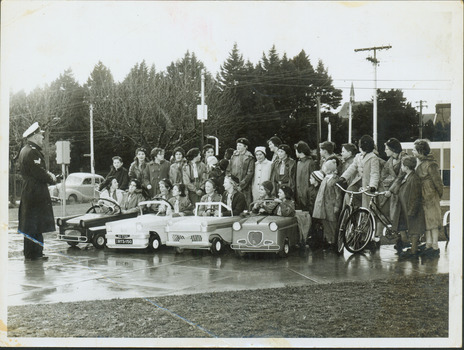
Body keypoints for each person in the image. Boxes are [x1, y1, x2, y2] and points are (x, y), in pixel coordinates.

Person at [18, 122, 56, 261]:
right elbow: (38, 173)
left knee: (30, 225)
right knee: (36, 224)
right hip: (36, 192)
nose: (42, 138)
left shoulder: (24, 150)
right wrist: (51, 178)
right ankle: (35, 254)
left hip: (29, 191)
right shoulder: (32, 151)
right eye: (40, 135)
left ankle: (31, 253)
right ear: (33, 136)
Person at [413, 139, 444, 257]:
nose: (412, 152)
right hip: (423, 194)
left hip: (430, 195)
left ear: (420, 151)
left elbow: (438, 182)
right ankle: (429, 244)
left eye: (414, 150)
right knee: (426, 221)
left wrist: (438, 194)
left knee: (433, 221)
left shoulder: (431, 164)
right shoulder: (420, 162)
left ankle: (435, 246)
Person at [390, 156, 426, 258]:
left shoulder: (413, 178)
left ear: (406, 167)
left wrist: (412, 210)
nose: (401, 167)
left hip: (411, 208)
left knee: (414, 229)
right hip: (407, 207)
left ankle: (414, 250)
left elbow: (415, 196)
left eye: (402, 165)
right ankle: (411, 247)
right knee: (409, 227)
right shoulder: (409, 176)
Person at [337, 135, 381, 209]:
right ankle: (356, 210)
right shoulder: (358, 156)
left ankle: (365, 215)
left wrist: (373, 186)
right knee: (350, 190)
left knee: (367, 204)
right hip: (358, 182)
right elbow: (352, 168)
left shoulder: (373, 158)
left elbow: (375, 173)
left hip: (368, 184)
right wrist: (343, 177)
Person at [380, 138, 408, 249]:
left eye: (387, 149)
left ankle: (404, 239)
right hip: (395, 190)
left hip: (403, 190)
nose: (385, 151)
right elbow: (383, 174)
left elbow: (401, 177)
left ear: (393, 149)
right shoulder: (391, 160)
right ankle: (401, 239)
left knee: (401, 215)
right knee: (396, 215)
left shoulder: (404, 158)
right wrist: (387, 184)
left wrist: (390, 190)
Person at [313, 157, 342, 250]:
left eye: (325, 167)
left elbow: (338, 194)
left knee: (332, 223)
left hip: (331, 205)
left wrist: (337, 206)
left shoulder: (335, 179)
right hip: (323, 205)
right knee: (325, 223)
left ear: (329, 169)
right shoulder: (325, 178)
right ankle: (329, 241)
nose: (323, 168)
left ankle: (334, 242)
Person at [226, 137, 255, 207]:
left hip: (245, 187)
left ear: (246, 147)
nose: (238, 147)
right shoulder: (234, 156)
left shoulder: (249, 157)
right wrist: (231, 182)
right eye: (237, 145)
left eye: (240, 145)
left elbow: (250, 173)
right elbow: (229, 169)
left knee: (245, 205)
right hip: (233, 185)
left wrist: (241, 185)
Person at [294, 141, 316, 210]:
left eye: (296, 151)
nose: (295, 152)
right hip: (299, 195)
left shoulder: (310, 162)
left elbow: (313, 180)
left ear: (301, 151)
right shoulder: (299, 162)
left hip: (307, 196)